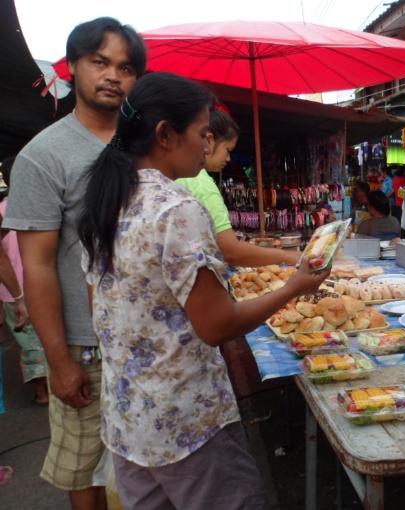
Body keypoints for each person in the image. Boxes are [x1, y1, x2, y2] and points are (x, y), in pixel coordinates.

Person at [77, 71, 329, 509]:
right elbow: (218, 325)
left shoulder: (106, 201)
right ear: (165, 135)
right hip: (187, 424)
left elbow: (102, 312)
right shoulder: (176, 207)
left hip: (129, 421)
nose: (207, 145)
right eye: (202, 133)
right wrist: (296, 286)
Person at [3, 17, 146, 509]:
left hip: (150, 338)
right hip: (88, 345)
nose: (112, 76)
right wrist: (58, 361)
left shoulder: (144, 146)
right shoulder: (44, 156)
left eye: (125, 67)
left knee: (150, 461)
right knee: (84, 468)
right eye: (99, 62)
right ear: (73, 68)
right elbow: (37, 266)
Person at [176, 107, 299, 266]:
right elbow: (231, 251)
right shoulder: (201, 184)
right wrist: (288, 256)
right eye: (227, 150)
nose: (228, 159)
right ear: (209, 140)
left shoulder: (180, 176)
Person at [0, 156, 47, 405]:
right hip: (43, 284)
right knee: (48, 332)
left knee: (29, 340)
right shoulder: (40, 207)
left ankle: (43, 391)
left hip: (12, 291)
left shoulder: (1, 211)